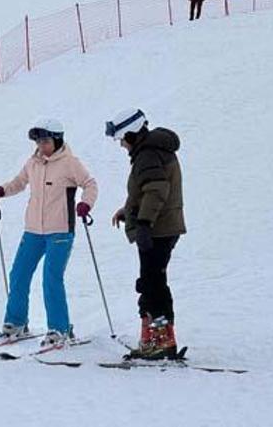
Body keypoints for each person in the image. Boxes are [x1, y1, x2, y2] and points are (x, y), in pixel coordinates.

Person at [0, 119, 98, 347]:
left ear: (56, 140)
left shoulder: (70, 163)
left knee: (51, 279)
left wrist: (85, 204)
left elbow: (90, 184)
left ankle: (60, 329)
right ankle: (16, 322)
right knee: (18, 274)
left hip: (60, 232)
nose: (41, 145)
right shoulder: (33, 162)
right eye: (38, 141)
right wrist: (0, 191)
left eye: (45, 141)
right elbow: (19, 182)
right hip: (33, 231)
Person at [105, 109, 186, 360]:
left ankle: (161, 341)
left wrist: (143, 223)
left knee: (152, 283)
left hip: (157, 229)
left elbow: (156, 190)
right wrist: (128, 210)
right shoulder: (152, 151)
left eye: (121, 139)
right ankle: (155, 337)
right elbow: (147, 190)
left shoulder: (148, 154)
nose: (121, 145)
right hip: (162, 226)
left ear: (131, 134)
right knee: (152, 280)